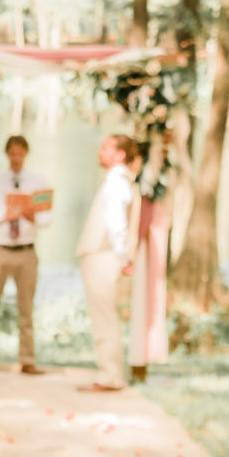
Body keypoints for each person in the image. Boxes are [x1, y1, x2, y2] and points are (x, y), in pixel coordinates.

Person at [0, 133, 50, 373]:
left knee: (26, 309)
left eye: (20, 153)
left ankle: (27, 359)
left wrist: (32, 215)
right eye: (13, 153)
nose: (16, 158)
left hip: (26, 250)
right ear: (7, 154)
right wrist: (5, 214)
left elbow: (47, 218)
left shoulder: (39, 182)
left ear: (26, 154)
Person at [77, 133, 138, 392]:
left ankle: (111, 375)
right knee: (104, 315)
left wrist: (122, 256)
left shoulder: (116, 181)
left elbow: (116, 224)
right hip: (105, 256)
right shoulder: (118, 180)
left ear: (120, 154)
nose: (100, 152)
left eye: (106, 148)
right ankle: (110, 372)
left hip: (104, 257)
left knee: (104, 317)